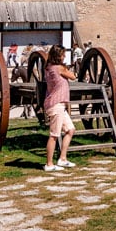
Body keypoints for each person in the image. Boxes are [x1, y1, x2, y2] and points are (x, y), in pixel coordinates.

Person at [43, 44, 77, 172]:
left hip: (59, 105)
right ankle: (49, 164)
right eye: (63, 54)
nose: (64, 56)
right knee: (54, 135)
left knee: (70, 130)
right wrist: (68, 68)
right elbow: (73, 76)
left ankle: (62, 159)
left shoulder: (49, 67)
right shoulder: (59, 68)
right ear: (59, 56)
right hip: (56, 104)